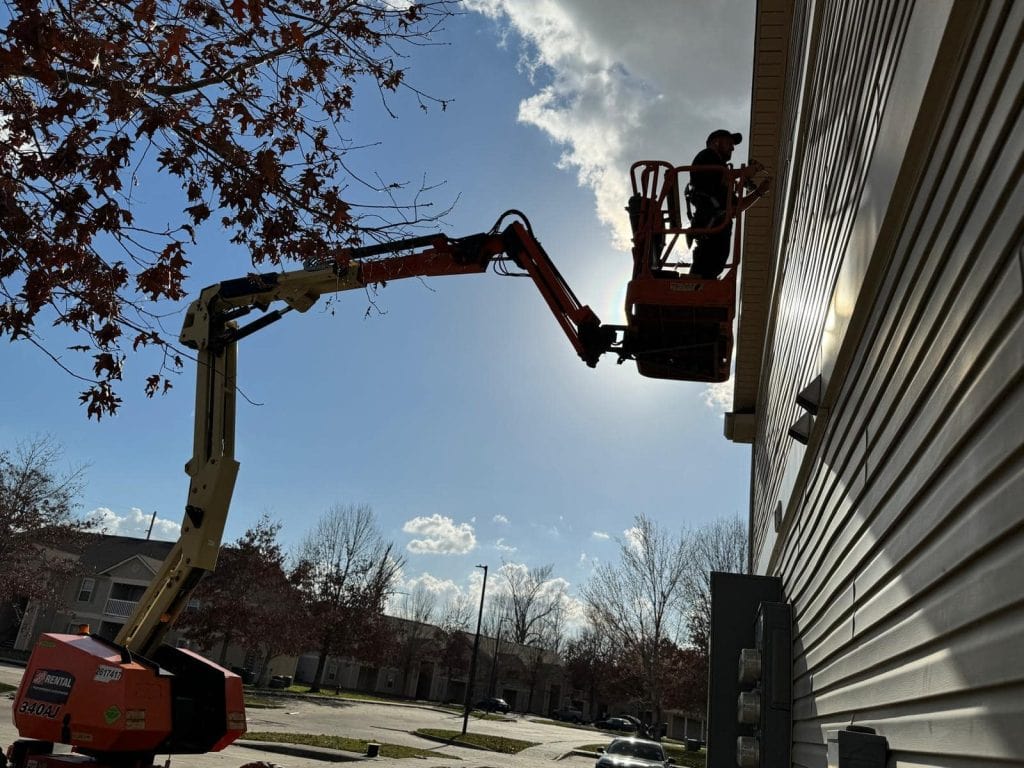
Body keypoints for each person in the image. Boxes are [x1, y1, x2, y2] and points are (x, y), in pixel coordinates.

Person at [686, 129, 769, 278]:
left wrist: (759, 191)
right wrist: (745, 172)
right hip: (710, 228)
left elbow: (737, 208)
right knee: (703, 272)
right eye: (729, 143)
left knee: (707, 272)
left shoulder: (724, 176)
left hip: (717, 230)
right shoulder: (707, 156)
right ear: (716, 142)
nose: (732, 148)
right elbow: (718, 175)